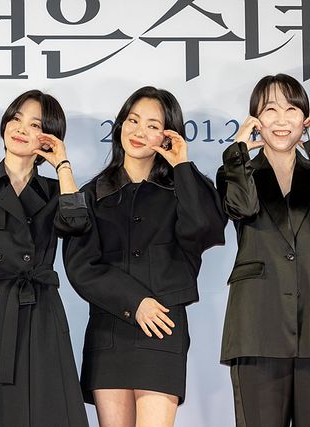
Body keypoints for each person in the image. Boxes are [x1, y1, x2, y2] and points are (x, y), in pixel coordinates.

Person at [63, 86, 225, 427]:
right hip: (109, 331)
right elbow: (81, 267)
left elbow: (204, 231)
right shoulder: (91, 195)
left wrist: (182, 166)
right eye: (133, 120)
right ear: (120, 124)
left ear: (168, 135)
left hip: (162, 327)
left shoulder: (184, 188)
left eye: (153, 125)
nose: (139, 131)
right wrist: (135, 302)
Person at [0, 89, 89, 427]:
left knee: (46, 411)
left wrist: (62, 164)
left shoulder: (56, 191)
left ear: (49, 137)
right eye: (16, 118)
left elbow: (77, 224)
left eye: (35, 124)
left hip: (41, 311)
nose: (21, 128)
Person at [216, 73, 310, 427]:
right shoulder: (237, 172)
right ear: (255, 119)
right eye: (270, 109)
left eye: (291, 109)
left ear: (305, 119)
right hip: (257, 327)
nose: (282, 119)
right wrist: (237, 156)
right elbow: (242, 207)